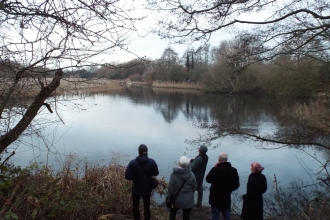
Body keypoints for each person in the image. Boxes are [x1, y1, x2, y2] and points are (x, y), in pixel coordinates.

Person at [125, 144, 159, 220]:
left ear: (138, 152)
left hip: (136, 188)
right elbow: (156, 173)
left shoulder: (132, 163)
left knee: (135, 206)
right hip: (147, 188)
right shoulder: (152, 162)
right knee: (147, 206)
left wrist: (135, 177)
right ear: (146, 152)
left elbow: (127, 176)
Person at [205, 152, 240, 220]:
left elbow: (208, 179)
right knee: (227, 216)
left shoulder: (215, 170)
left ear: (219, 159)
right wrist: (229, 189)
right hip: (226, 198)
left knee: (215, 216)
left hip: (215, 198)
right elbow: (236, 185)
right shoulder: (233, 170)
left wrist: (214, 167)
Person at [168, 156, 197, 220]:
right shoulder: (191, 174)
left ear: (179, 164)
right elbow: (195, 187)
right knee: (186, 215)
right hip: (189, 200)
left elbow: (170, 189)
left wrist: (173, 195)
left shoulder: (174, 174)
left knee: (173, 211)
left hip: (177, 200)